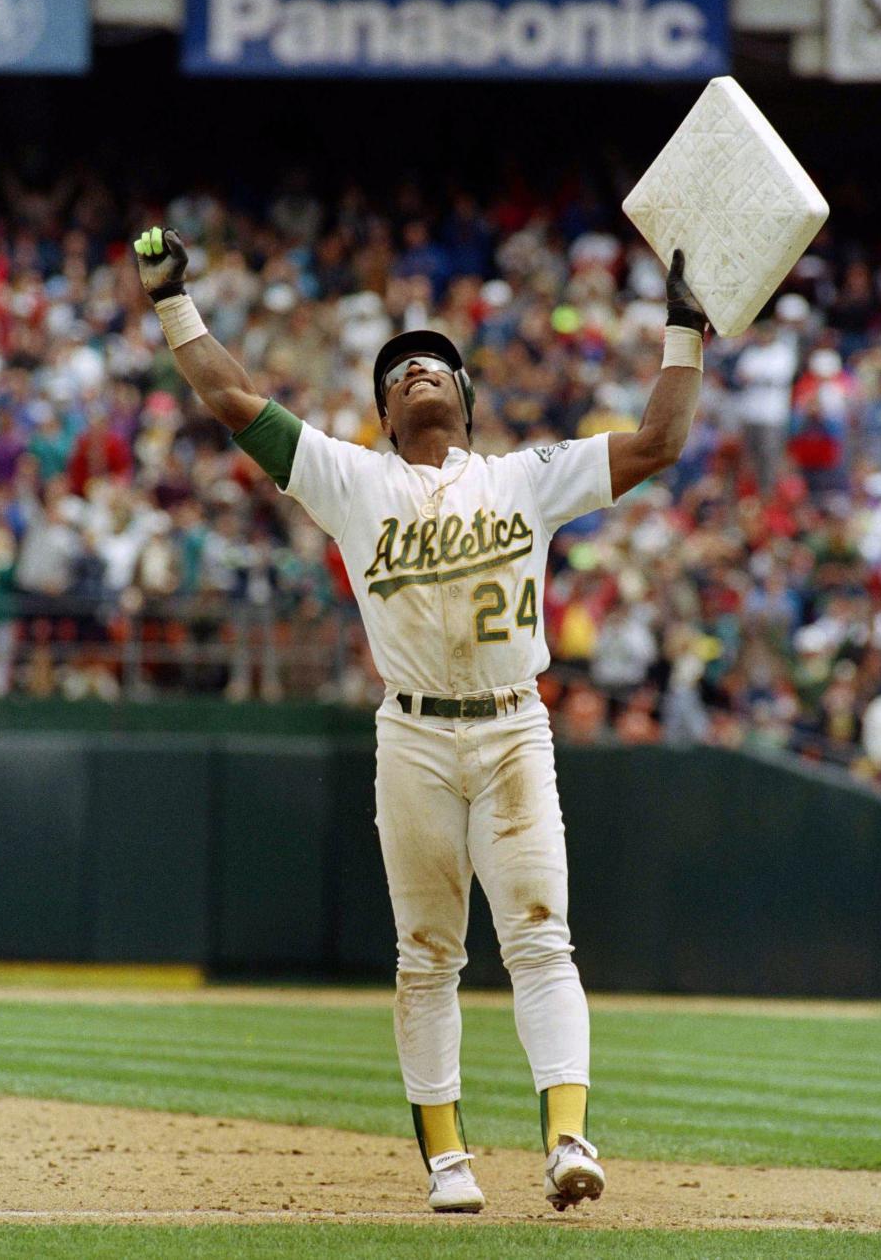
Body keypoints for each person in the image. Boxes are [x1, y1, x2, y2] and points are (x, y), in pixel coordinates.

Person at [133, 226, 708, 1215]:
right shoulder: (352, 482)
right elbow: (232, 402)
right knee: (428, 951)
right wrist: (171, 301)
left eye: (435, 363)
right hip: (413, 735)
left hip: (512, 726)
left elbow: (659, 442)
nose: (417, 372)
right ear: (383, 413)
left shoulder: (524, 476)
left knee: (538, 936)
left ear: (466, 398)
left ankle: (568, 1135)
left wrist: (686, 329)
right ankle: (448, 1158)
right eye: (398, 371)